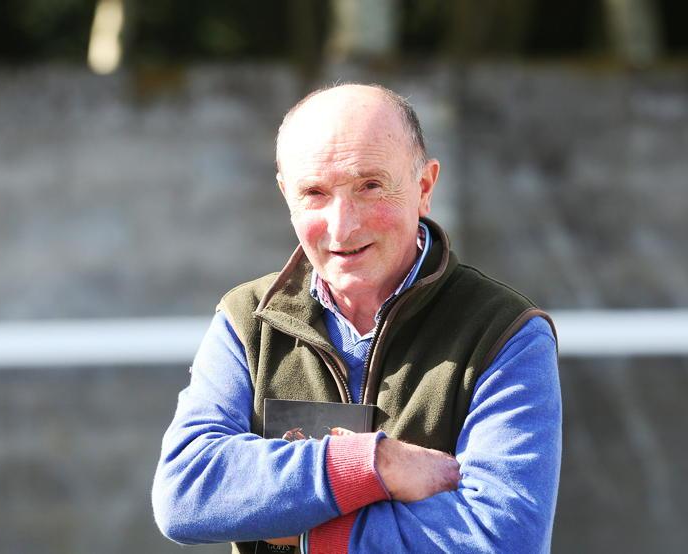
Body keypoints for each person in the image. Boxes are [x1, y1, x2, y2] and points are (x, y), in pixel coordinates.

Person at [152, 83, 561, 553]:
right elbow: (185, 493)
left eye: (370, 186)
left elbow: (504, 540)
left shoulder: (505, 332)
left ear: (424, 187)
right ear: (287, 196)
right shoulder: (247, 320)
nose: (342, 226)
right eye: (314, 192)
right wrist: (372, 463)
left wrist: (304, 530)